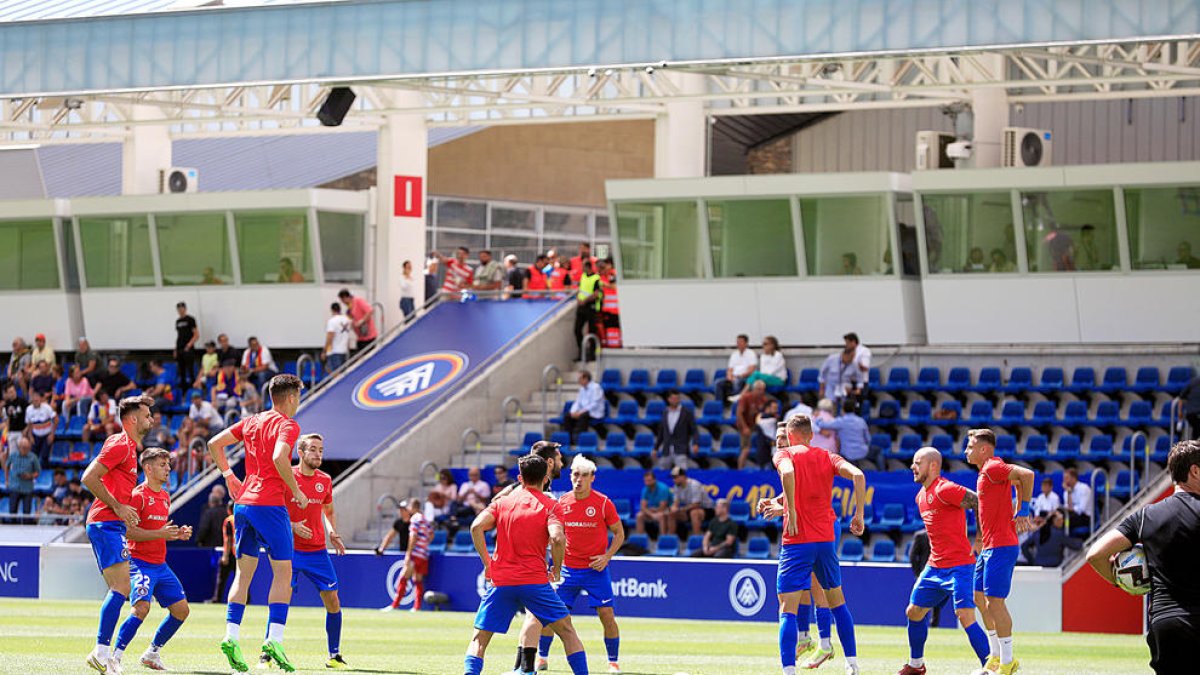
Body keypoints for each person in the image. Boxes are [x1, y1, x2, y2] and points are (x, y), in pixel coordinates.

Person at [207, 374, 309, 673]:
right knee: (283, 572)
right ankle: (274, 640)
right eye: (298, 396)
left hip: (243, 505)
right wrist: (297, 490)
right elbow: (280, 457)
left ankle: (231, 635)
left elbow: (214, 443)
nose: (298, 402)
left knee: (243, 574)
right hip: (269, 504)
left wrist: (228, 475)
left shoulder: (252, 421)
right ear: (291, 397)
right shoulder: (288, 424)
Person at [463, 454, 590, 675]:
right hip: (534, 582)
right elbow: (558, 539)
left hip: (502, 581)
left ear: (520, 478)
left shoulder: (501, 503)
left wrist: (488, 563)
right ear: (545, 479)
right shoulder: (551, 505)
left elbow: (475, 527)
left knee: (479, 639)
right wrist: (557, 569)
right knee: (567, 632)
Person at [758, 414, 865, 675]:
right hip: (826, 539)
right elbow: (859, 475)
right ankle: (852, 665)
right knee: (838, 602)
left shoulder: (784, 455)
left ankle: (789, 670)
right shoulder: (826, 456)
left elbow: (788, 472)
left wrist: (791, 512)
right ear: (810, 434)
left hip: (797, 541)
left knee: (787, 609)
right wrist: (858, 514)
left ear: (790, 436)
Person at [1086, 440, 1200, 674]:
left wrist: (1121, 582)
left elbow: (1096, 554)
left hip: (1166, 625)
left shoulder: (1145, 516)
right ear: (1195, 471)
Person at [246, 433, 349, 670]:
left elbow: (328, 509)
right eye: (313, 449)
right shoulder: (286, 476)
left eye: (321, 450)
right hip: (288, 550)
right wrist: (292, 526)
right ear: (300, 453)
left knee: (333, 600)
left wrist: (332, 531)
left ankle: (334, 655)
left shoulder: (325, 479)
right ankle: (267, 653)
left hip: (318, 551)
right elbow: (272, 511)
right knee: (282, 599)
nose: (318, 454)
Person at [898, 447, 991, 675]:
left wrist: (979, 538)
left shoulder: (945, 489)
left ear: (933, 465)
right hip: (934, 567)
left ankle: (990, 667)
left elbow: (979, 501)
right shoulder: (920, 496)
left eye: (917, 462)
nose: (913, 467)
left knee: (965, 616)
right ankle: (916, 665)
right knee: (914, 611)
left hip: (960, 566)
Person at [81, 395, 153, 674]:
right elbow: (88, 477)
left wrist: (124, 508)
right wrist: (118, 506)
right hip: (105, 522)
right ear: (132, 419)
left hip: (109, 523)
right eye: (146, 415)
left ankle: (102, 653)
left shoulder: (129, 447)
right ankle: (100, 651)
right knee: (121, 588)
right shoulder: (120, 443)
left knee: (120, 588)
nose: (151, 419)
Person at [535, 456, 625, 673]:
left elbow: (619, 533)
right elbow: (551, 535)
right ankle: (542, 657)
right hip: (567, 569)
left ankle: (613, 661)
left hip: (596, 570)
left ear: (592, 478)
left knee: (607, 615)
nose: (579, 480)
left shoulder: (603, 503)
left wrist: (607, 556)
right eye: (576, 474)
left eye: (584, 475)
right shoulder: (561, 502)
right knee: (550, 616)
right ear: (570, 476)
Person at [109, 448, 193, 672]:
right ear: (148, 468)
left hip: (160, 564)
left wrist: (177, 534)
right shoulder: (138, 496)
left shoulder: (165, 496)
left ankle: (152, 653)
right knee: (141, 609)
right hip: (139, 563)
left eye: (168, 464)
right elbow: (127, 532)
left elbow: (159, 530)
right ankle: (115, 657)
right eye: (163, 464)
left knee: (181, 611)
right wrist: (161, 534)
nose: (168, 469)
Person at [966, 428, 1035, 675]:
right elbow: (1018, 481)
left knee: (995, 602)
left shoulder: (994, 466)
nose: (966, 450)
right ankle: (995, 657)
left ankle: (1007, 662)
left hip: (1002, 545)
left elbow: (1027, 475)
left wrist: (1023, 509)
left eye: (970, 446)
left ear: (984, 449)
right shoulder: (987, 471)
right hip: (989, 546)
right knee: (978, 598)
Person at [378, 497, 433, 611]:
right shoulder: (425, 519)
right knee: (417, 580)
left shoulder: (415, 519)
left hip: (415, 553)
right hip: (424, 554)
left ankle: (395, 605)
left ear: (412, 507)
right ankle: (417, 607)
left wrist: (409, 553)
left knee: (403, 577)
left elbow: (413, 536)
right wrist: (424, 544)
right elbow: (431, 535)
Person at [814, 401, 872, 467]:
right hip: (862, 453)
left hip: (848, 455)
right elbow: (868, 439)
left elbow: (821, 424)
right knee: (878, 452)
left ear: (843, 410)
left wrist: (818, 417)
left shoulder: (840, 421)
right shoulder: (861, 421)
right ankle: (884, 471)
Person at [908, 529, 946, 628]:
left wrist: (918, 573)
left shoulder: (921, 535)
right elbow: (912, 556)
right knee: (929, 600)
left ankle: (930, 624)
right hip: (934, 572)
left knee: (927, 600)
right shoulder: (921, 536)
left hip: (933, 572)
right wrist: (918, 573)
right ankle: (931, 624)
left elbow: (912, 556)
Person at [654, 390, 699, 470]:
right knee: (662, 471)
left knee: (681, 472)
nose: (675, 401)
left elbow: (694, 430)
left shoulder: (686, 413)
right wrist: (656, 448)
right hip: (667, 449)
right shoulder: (665, 413)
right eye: (673, 398)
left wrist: (695, 443)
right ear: (669, 399)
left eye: (677, 398)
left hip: (681, 449)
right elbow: (661, 432)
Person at [667, 466, 712, 536]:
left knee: (694, 513)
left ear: (683, 476)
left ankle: (696, 538)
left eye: (676, 477)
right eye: (673, 478)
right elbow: (675, 502)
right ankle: (669, 539)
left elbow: (696, 504)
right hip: (689, 509)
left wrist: (681, 509)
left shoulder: (694, 485)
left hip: (707, 509)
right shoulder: (676, 487)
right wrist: (673, 508)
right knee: (671, 514)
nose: (674, 480)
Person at [573, 260, 603, 362]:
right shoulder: (583, 276)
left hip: (591, 307)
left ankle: (592, 354)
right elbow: (580, 289)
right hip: (581, 307)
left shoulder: (596, 278)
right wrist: (578, 299)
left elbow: (596, 294)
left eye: (584, 267)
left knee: (592, 331)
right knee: (577, 330)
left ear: (588, 267)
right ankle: (581, 351)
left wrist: (585, 300)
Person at [563, 370, 605, 442]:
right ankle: (569, 440)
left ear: (586, 379)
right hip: (583, 411)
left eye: (580, 378)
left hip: (594, 412)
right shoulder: (582, 389)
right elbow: (578, 402)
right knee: (567, 416)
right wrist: (572, 412)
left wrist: (580, 413)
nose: (578, 380)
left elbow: (594, 404)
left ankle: (579, 440)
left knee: (583, 417)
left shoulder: (596, 387)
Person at [818, 347, 862, 412]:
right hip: (831, 388)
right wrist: (822, 389)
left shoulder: (854, 363)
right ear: (845, 355)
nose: (853, 359)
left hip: (845, 391)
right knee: (830, 410)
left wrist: (858, 390)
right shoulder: (831, 359)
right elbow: (822, 374)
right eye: (852, 357)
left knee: (845, 411)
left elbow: (859, 378)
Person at [716, 334, 758, 401]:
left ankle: (736, 402)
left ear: (746, 343)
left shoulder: (751, 353)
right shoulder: (734, 354)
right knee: (718, 383)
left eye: (741, 342)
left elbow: (751, 370)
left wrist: (739, 376)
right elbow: (730, 369)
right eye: (737, 342)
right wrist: (730, 377)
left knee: (737, 382)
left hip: (744, 377)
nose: (738, 344)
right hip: (733, 377)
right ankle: (719, 404)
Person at [7, 436, 41, 518]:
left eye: (27, 448)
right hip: (15, 487)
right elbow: (6, 466)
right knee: (12, 512)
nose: (26, 450)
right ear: (19, 447)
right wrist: (7, 479)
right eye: (24, 448)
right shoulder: (13, 456)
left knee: (26, 513)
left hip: (27, 488)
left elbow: (38, 472)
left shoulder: (33, 457)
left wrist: (30, 476)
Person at [635, 470, 672, 537]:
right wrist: (651, 514)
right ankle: (639, 540)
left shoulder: (663, 488)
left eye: (649, 480)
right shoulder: (645, 489)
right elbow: (643, 507)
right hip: (653, 511)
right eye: (645, 481)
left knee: (661, 516)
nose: (647, 483)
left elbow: (663, 507)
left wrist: (653, 511)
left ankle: (663, 538)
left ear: (654, 480)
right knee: (639, 516)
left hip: (666, 509)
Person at [25, 388, 57, 464]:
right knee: (33, 456)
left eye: (37, 398)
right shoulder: (28, 409)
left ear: (40, 399)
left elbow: (56, 420)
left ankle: (46, 471)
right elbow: (29, 423)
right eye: (34, 398)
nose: (36, 400)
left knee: (44, 456)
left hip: (46, 435)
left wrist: (52, 434)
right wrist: (30, 436)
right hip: (36, 435)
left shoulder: (47, 408)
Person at [173, 303, 199, 393]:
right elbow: (179, 336)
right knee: (181, 371)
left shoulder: (190, 319)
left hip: (188, 349)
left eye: (182, 308)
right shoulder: (178, 321)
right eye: (178, 309)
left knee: (190, 370)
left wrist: (189, 345)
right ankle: (184, 392)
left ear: (185, 309)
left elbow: (196, 335)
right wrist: (176, 349)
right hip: (179, 348)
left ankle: (193, 391)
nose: (180, 310)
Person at [323, 302, 353, 372]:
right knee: (343, 373)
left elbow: (330, 337)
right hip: (345, 350)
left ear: (332, 310)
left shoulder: (332, 321)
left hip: (335, 351)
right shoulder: (347, 320)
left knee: (334, 373)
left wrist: (324, 351)